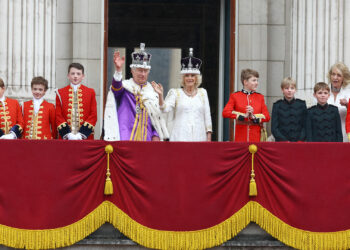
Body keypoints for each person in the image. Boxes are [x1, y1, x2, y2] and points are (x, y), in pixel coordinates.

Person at [103, 43, 168, 141]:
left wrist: (156, 135)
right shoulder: (125, 86)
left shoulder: (152, 92)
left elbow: (157, 117)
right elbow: (116, 89)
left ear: (148, 72)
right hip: (125, 135)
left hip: (147, 137)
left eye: (145, 71)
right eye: (139, 70)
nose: (142, 74)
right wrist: (118, 70)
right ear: (132, 71)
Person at [151, 48, 212, 141]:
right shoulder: (176, 93)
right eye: (187, 75)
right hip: (180, 137)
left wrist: (208, 137)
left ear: (196, 78)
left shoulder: (203, 93)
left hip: (199, 137)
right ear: (183, 78)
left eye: (192, 75)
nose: (189, 78)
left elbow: (207, 116)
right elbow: (164, 109)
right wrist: (160, 95)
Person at [222, 69, 270, 142]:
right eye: (254, 80)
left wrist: (254, 117)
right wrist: (243, 116)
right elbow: (225, 112)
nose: (257, 83)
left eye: (257, 80)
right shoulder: (235, 96)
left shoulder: (260, 97)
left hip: (256, 137)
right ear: (245, 82)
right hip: (241, 137)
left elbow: (267, 116)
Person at [55, 63, 97, 140]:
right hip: (66, 138)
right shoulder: (60, 93)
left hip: (85, 137)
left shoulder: (90, 92)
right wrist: (67, 134)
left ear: (83, 76)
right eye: (72, 73)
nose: (75, 76)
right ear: (68, 75)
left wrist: (82, 134)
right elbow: (58, 115)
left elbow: (93, 115)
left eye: (78, 74)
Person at [271, 77, 307, 141]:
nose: (289, 90)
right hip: (282, 143)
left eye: (292, 88)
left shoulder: (302, 104)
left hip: (299, 142)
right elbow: (274, 128)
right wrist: (284, 141)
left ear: (295, 90)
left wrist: (300, 140)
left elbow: (305, 126)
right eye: (286, 88)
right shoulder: (277, 105)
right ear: (282, 90)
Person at [327, 62, 350, 142]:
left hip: (344, 137)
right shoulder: (322, 92)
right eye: (333, 74)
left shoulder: (348, 94)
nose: (335, 77)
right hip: (326, 136)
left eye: (339, 75)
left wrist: (348, 105)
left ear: (344, 78)